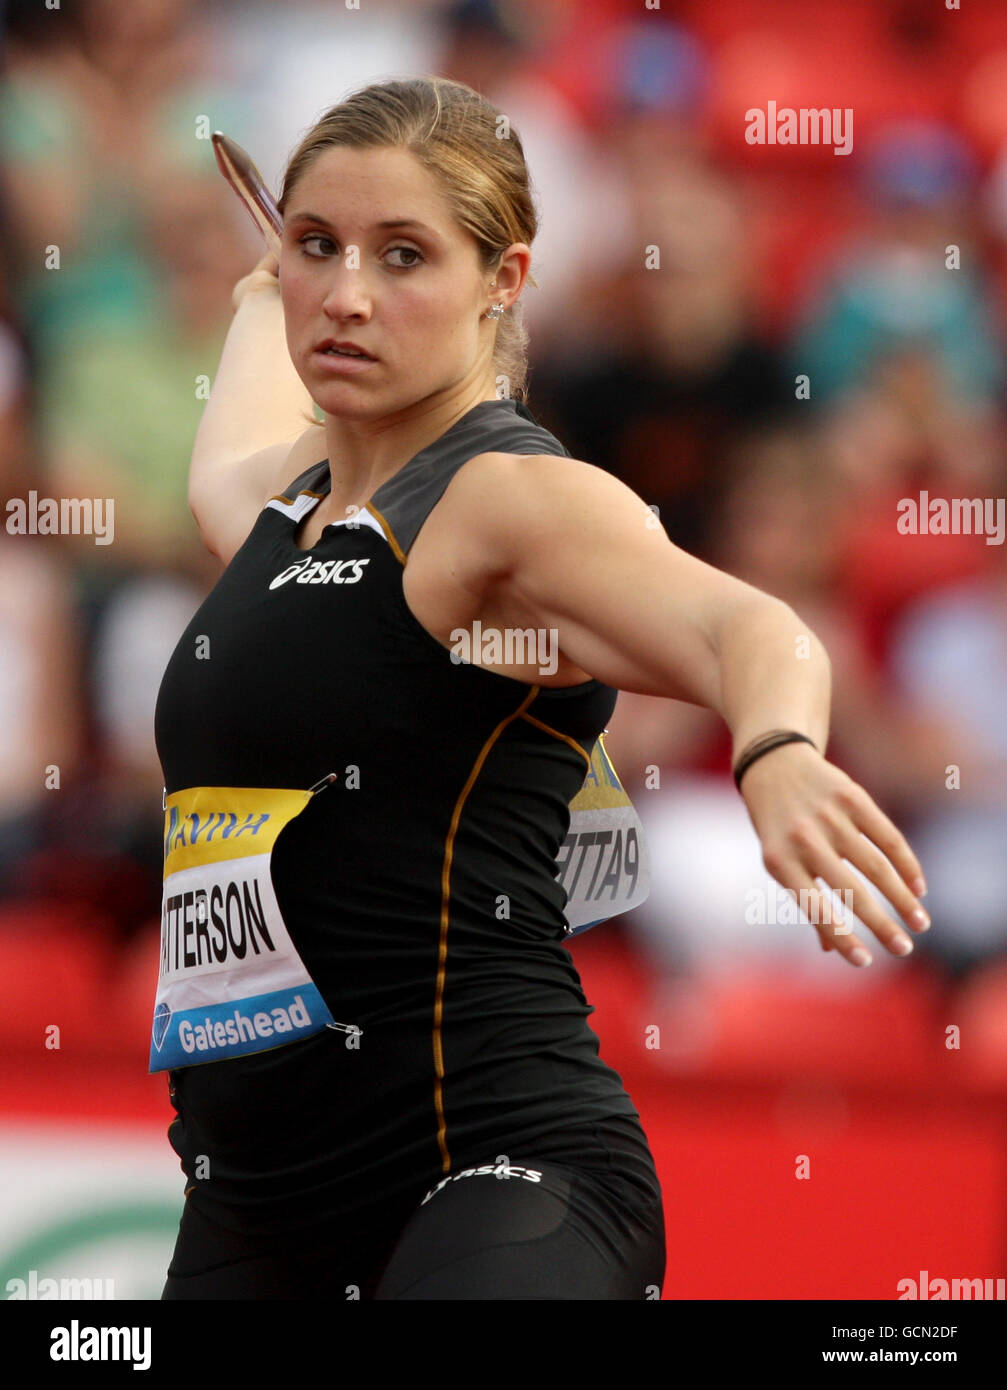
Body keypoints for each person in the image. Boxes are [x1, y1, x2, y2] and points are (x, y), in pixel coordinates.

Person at [151, 77, 929, 1301]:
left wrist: (776, 751)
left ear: (502, 281)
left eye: (404, 255)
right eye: (319, 247)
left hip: (493, 1172)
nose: (347, 293)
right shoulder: (290, 501)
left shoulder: (503, 498)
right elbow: (219, 466)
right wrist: (270, 280)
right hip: (262, 1204)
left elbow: (747, 623)